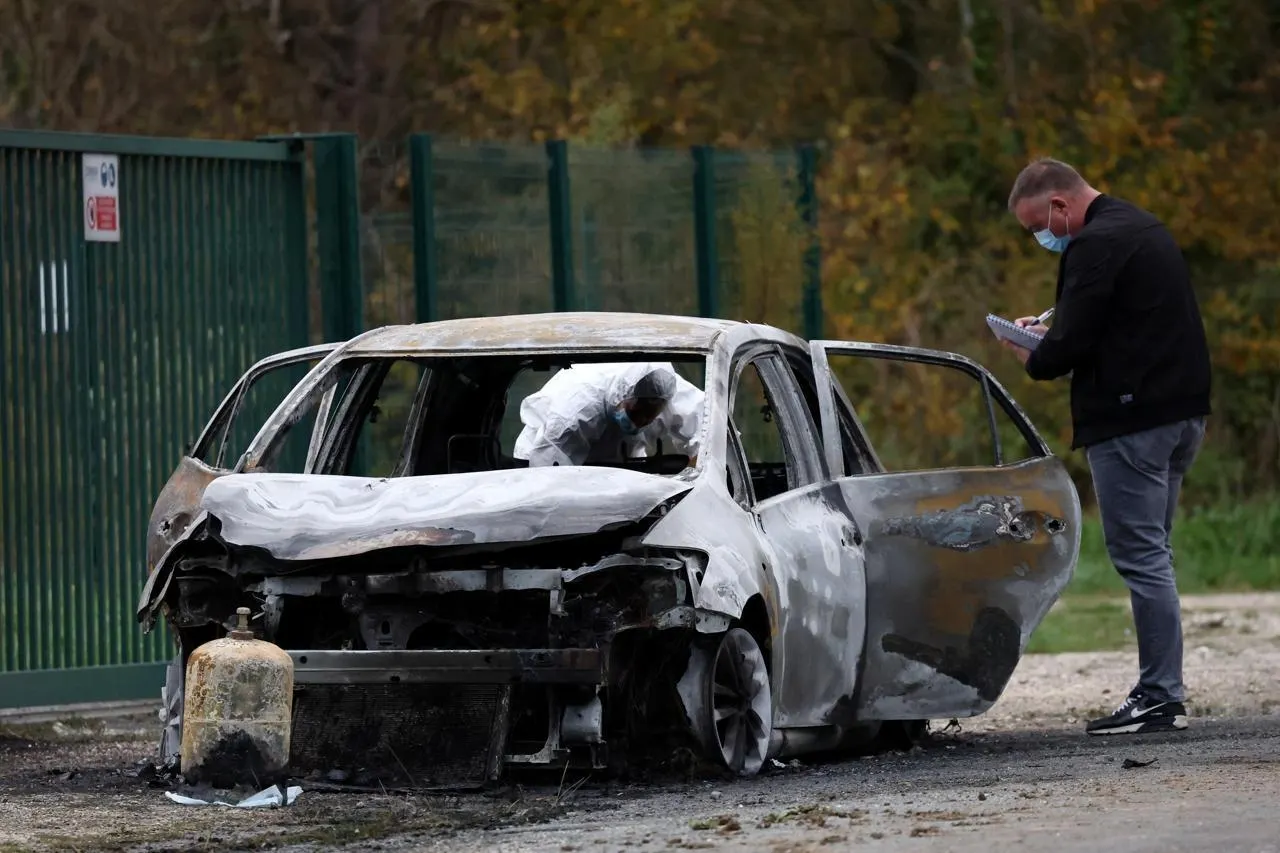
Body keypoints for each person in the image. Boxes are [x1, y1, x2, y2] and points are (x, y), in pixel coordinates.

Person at [1002, 157, 1212, 736]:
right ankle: (1162, 691)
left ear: (1060, 205)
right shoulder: (1144, 227)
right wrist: (1055, 336)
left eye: (1038, 226)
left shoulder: (1092, 245)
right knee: (1156, 554)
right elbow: (1117, 327)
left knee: (1141, 557)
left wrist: (1029, 350)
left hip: (1131, 422)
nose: (1042, 237)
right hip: (1182, 415)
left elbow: (1063, 352)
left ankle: (1160, 696)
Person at [513, 361, 704, 469]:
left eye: (649, 417)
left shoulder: (667, 391)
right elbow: (547, 475)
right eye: (635, 413)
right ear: (622, 395)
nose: (640, 422)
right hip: (542, 459)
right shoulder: (576, 408)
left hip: (622, 466)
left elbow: (707, 427)